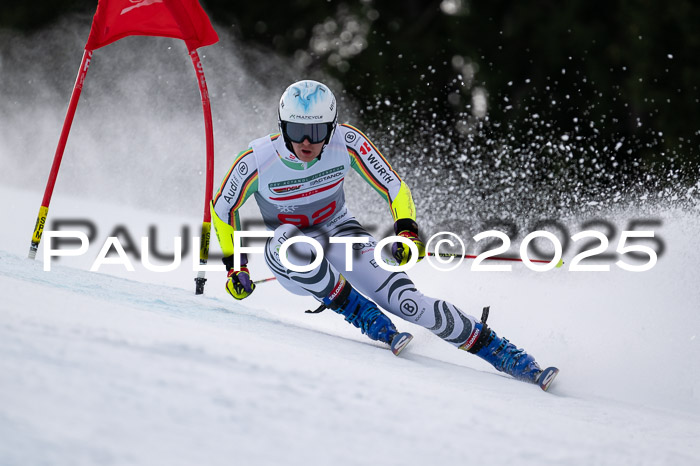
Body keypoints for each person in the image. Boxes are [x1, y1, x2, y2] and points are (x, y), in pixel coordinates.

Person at [210, 79, 558, 390]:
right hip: (292, 256)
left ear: (330, 128)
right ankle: (358, 311)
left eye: (316, 133)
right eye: (296, 129)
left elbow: (394, 186)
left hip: (340, 232)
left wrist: (406, 231)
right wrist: (235, 267)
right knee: (290, 240)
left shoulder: (347, 141)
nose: (305, 142)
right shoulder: (258, 159)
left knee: (407, 302)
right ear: (282, 126)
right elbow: (222, 208)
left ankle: (506, 355)